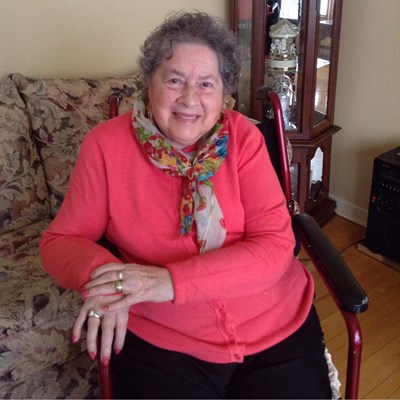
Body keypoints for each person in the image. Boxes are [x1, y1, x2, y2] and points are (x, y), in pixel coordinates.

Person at [40, 11, 333, 399]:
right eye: (174, 80)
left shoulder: (243, 139)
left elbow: (276, 245)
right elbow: (62, 240)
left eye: (206, 84)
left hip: (273, 321)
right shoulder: (105, 146)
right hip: (165, 334)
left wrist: (169, 282)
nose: (190, 99)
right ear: (149, 83)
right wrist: (109, 283)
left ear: (224, 93)